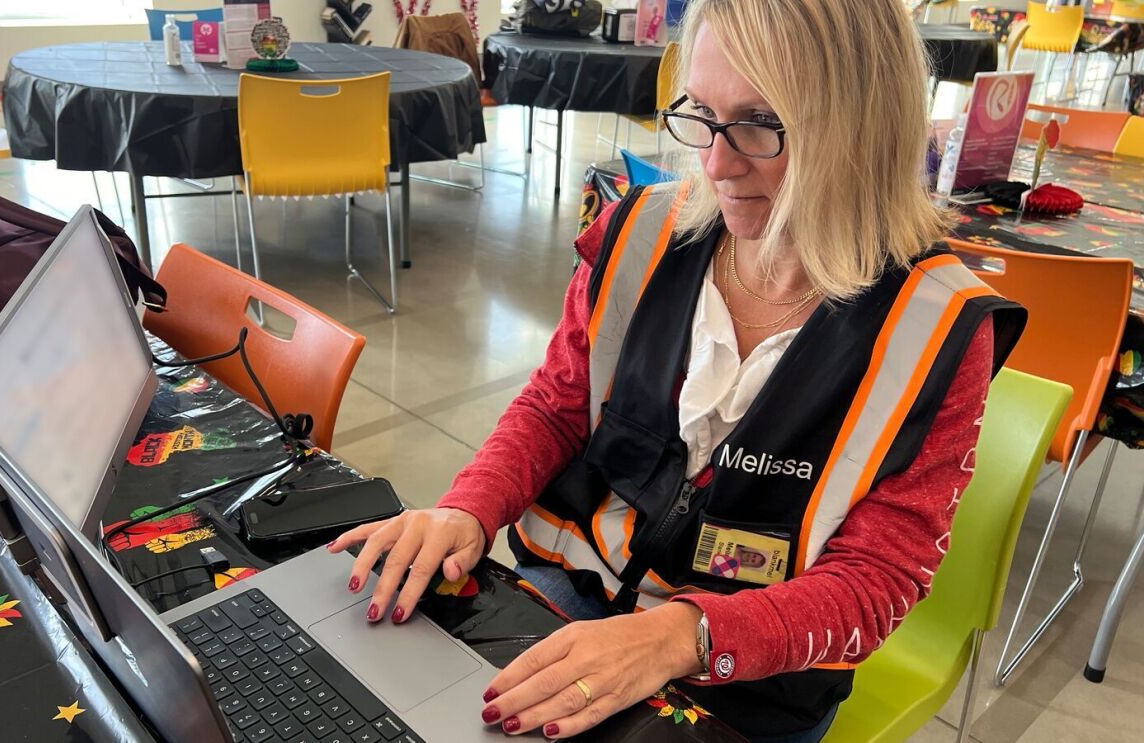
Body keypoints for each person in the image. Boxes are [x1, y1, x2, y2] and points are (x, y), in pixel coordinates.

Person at [329, 0, 1026, 740]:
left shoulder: (938, 328)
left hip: (749, 679)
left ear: (861, 129)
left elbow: (876, 584)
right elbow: (559, 404)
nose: (717, 164)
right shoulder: (640, 231)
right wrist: (467, 507)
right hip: (570, 595)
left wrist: (681, 635)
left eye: (760, 122)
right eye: (702, 112)